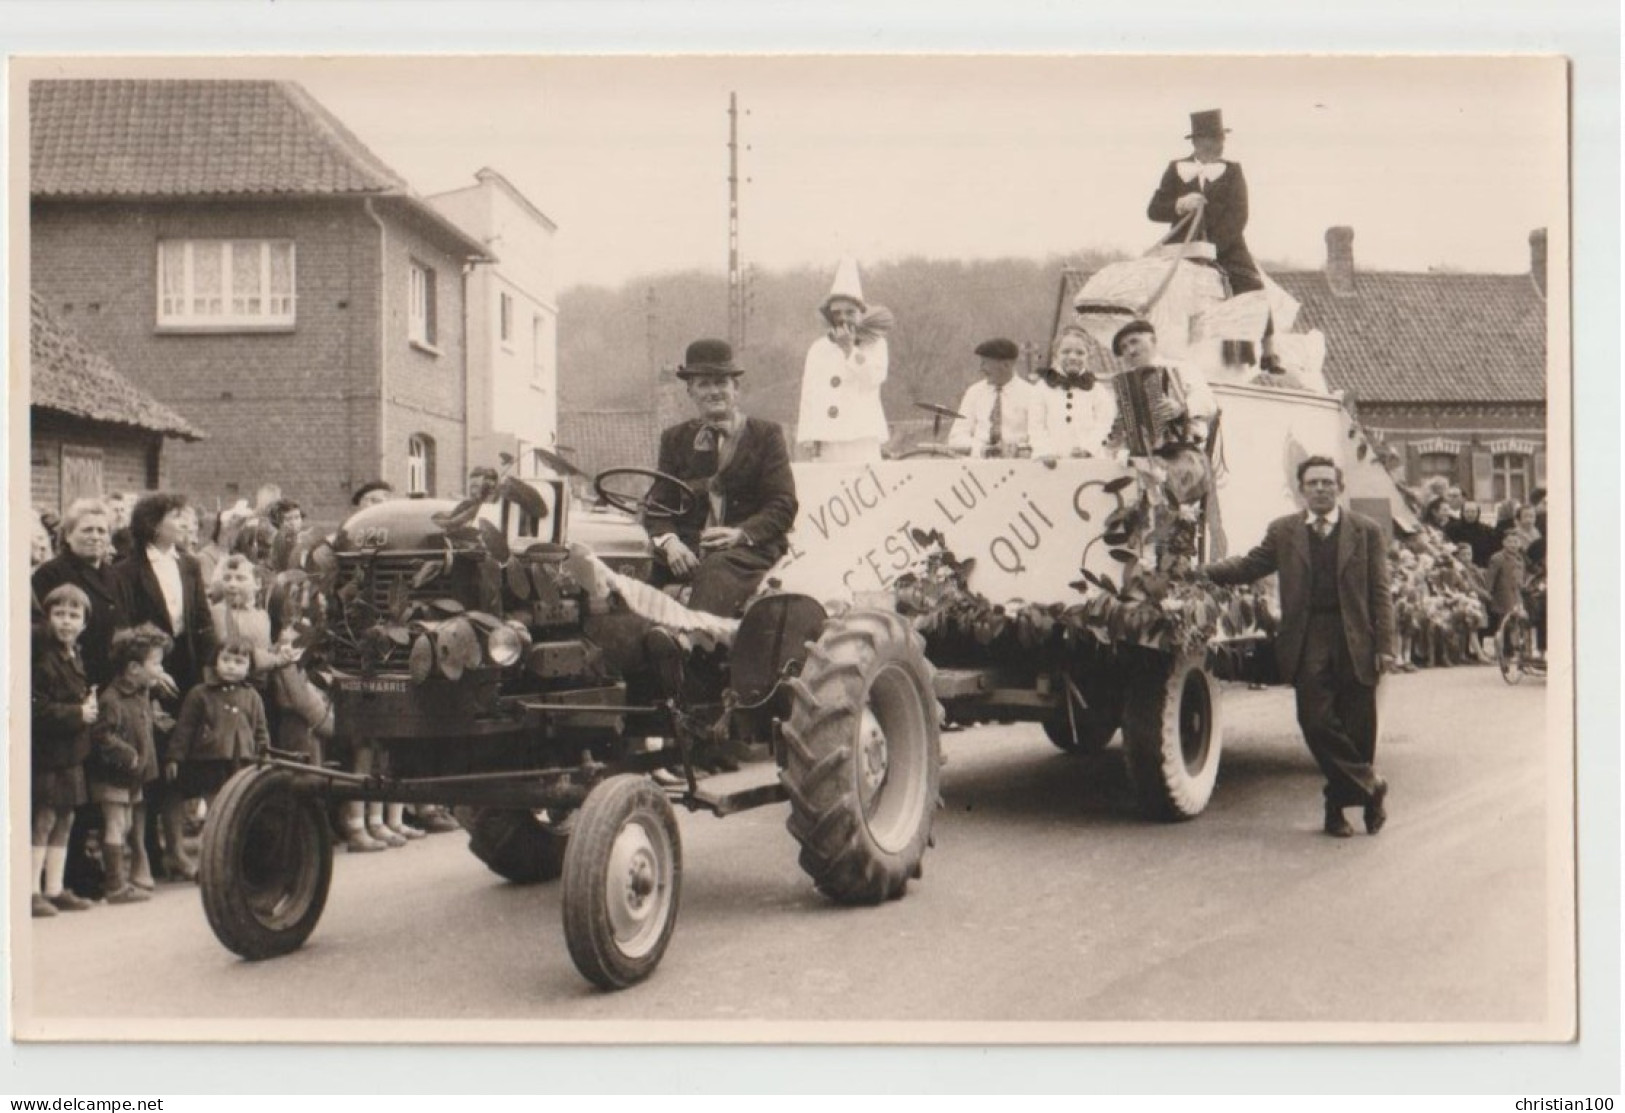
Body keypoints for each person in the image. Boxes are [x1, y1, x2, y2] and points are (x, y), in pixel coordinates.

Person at [1202, 457, 1396, 838]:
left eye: (1327, 482)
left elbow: (1380, 592)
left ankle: (1339, 811)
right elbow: (1249, 566)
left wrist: (1385, 644)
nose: (1320, 489)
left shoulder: (1366, 530)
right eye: (1313, 483)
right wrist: (1202, 573)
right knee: (1315, 721)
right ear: (1301, 489)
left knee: (1358, 728)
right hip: (1307, 637)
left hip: (1355, 635)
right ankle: (1372, 786)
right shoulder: (1284, 531)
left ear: (1340, 487)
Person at [646, 338, 799, 619]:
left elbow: (783, 504)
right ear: (690, 391)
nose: (714, 391)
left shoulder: (766, 436)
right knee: (635, 572)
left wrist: (741, 534)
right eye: (704, 384)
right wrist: (670, 543)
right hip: (688, 551)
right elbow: (657, 505)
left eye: (721, 382)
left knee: (715, 569)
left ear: (736, 389)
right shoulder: (675, 440)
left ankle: (691, 643)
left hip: (747, 552)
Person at [114, 492, 217, 883]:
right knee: (154, 762)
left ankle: (176, 851)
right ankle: (151, 853)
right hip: (147, 672)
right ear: (155, 524)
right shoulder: (127, 570)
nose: (186, 522)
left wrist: (210, 671)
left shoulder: (188, 565)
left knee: (182, 760)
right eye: (178, 516)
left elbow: (202, 620)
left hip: (186, 669)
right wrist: (149, 670)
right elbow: (123, 627)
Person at [90, 624, 173, 904]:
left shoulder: (140, 693)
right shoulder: (112, 699)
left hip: (132, 777)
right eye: (156, 663)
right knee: (116, 825)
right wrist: (128, 754)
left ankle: (119, 878)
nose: (160, 669)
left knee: (124, 824)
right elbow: (101, 734)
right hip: (113, 776)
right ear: (134, 668)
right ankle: (115, 885)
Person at [30, 584, 100, 917]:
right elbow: (36, 708)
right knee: (43, 818)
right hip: (48, 752)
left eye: (74, 615)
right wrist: (78, 714)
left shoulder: (76, 655)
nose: (67, 622)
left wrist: (87, 707)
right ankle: (30, 891)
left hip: (71, 751)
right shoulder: (42, 659)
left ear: (85, 622)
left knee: (66, 816)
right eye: (59, 614)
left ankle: (54, 889)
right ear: (47, 618)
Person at [1147, 109, 1264, 295]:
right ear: (1196, 141)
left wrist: (1211, 248)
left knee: (1254, 292)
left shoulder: (1233, 170)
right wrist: (1180, 204)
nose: (1219, 145)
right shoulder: (1175, 168)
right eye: (1213, 139)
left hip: (1227, 250)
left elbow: (1239, 215)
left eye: (1220, 139)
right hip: (1180, 250)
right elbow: (1153, 211)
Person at [795, 259, 891, 463]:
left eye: (850, 312)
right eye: (837, 313)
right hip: (827, 438)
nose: (843, 318)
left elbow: (873, 378)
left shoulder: (875, 344)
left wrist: (850, 349)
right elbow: (809, 396)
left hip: (861, 436)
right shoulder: (818, 349)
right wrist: (809, 437)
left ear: (861, 313)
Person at [165, 637, 270, 814]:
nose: (231, 666)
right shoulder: (200, 693)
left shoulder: (252, 696)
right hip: (210, 760)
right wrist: (174, 757)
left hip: (242, 760)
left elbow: (261, 730)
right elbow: (185, 728)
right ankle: (210, 835)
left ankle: (230, 839)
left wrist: (264, 755)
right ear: (215, 660)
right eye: (225, 660)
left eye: (239, 662)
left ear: (249, 667)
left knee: (238, 805)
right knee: (214, 805)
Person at [948, 338, 1054, 459]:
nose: (981, 368)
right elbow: (956, 438)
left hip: (1019, 467)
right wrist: (982, 449)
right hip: (978, 465)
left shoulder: (1031, 394)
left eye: (985, 363)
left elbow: (1040, 438)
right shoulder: (974, 393)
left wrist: (1018, 449)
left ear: (1006, 365)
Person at [1042, 326, 1115, 460]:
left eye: (1080, 353)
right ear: (1055, 354)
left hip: (1090, 459)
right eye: (1066, 352)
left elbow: (1104, 423)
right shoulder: (1042, 388)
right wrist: (1046, 451)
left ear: (1089, 356)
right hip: (1052, 460)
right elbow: (1037, 426)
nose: (1073, 357)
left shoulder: (1097, 390)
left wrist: (1087, 448)